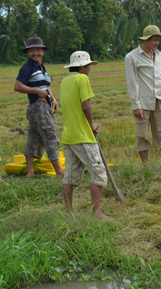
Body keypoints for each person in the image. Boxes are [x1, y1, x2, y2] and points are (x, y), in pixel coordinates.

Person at [60, 51, 112, 221]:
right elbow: (86, 106)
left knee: (70, 175)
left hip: (69, 136)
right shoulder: (82, 79)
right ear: (82, 67)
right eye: (88, 66)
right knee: (98, 172)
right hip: (83, 136)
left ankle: (69, 214)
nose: (90, 69)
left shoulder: (64, 81)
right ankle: (97, 213)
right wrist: (91, 126)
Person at [125, 25, 161, 174]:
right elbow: (132, 83)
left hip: (158, 100)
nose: (157, 43)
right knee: (142, 135)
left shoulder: (159, 55)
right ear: (146, 40)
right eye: (154, 40)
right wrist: (136, 105)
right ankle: (146, 168)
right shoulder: (132, 57)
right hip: (143, 102)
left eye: (158, 40)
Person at [14, 37, 65, 177]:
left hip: (43, 105)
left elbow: (45, 86)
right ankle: (59, 171)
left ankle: (30, 171)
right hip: (38, 107)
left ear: (43, 51)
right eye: (32, 50)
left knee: (34, 137)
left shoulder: (41, 66)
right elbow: (17, 86)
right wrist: (36, 91)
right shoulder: (27, 67)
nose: (35, 53)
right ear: (27, 52)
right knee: (50, 135)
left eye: (38, 50)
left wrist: (53, 99)